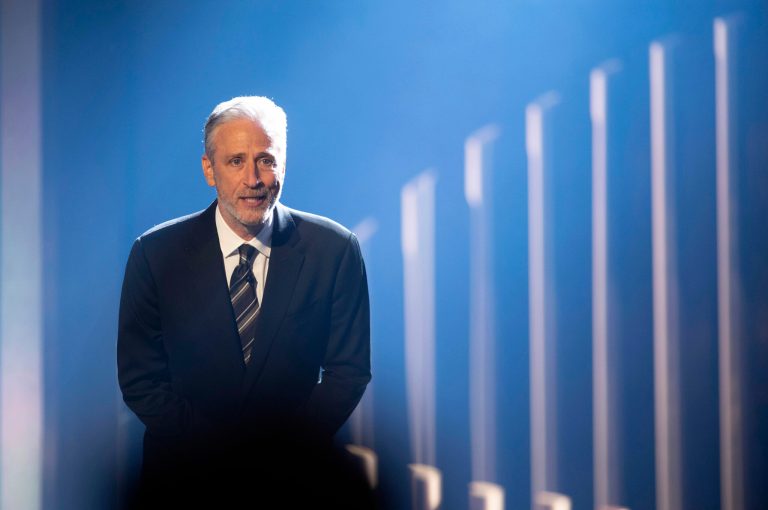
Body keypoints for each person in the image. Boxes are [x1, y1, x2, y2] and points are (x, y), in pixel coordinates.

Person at [117, 96, 372, 507]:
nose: (253, 178)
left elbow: (349, 372)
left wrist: (282, 454)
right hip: (184, 480)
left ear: (284, 165)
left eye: (266, 160)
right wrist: (223, 458)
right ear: (209, 170)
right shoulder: (155, 255)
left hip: (295, 481)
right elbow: (140, 380)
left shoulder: (335, 250)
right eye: (236, 161)